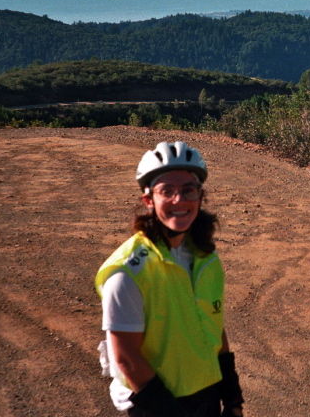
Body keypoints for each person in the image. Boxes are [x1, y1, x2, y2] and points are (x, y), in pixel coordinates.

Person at [96, 141, 245, 417]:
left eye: (189, 190)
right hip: (154, 403)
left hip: (205, 394)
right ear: (149, 200)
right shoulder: (127, 272)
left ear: (200, 196)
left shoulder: (205, 258)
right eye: (167, 191)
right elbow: (127, 359)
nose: (180, 200)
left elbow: (214, 329)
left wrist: (232, 399)